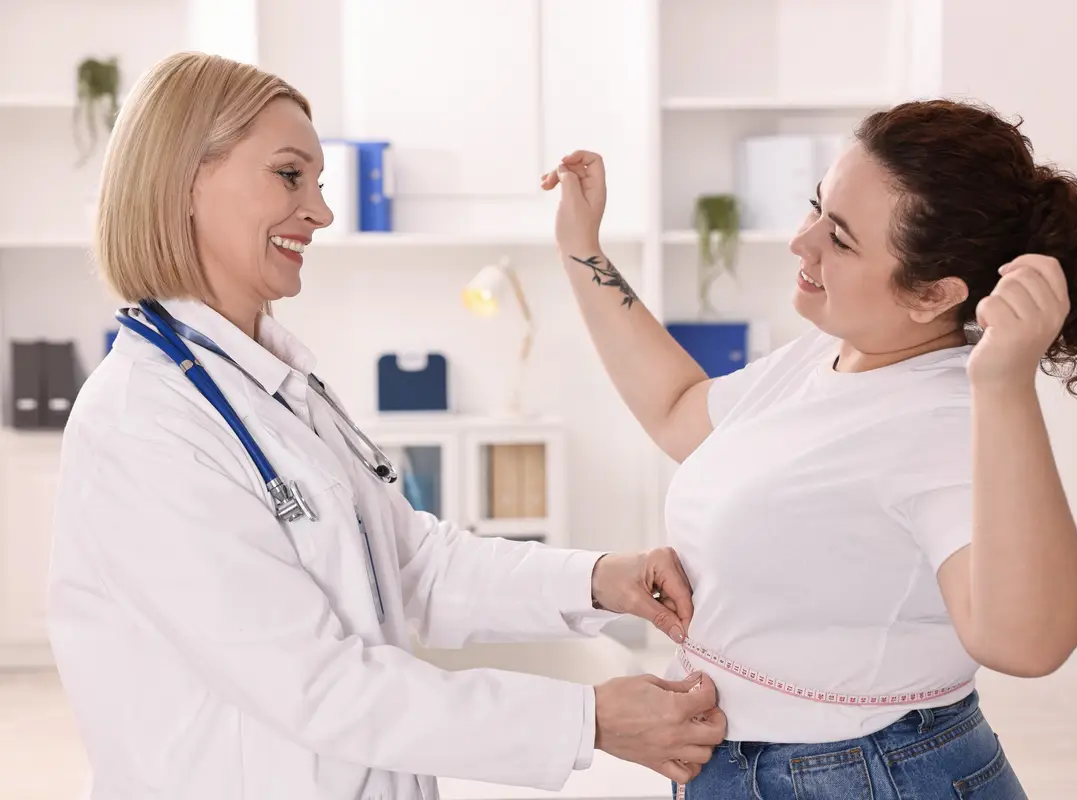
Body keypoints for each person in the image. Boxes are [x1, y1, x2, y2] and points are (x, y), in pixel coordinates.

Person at [46, 51, 727, 800]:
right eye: (289, 175)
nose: (322, 211)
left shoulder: (273, 388)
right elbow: (317, 684)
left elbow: (411, 566)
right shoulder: (143, 425)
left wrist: (599, 580)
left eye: (319, 181)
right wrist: (584, 719)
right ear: (183, 182)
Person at [542, 98, 1077, 798]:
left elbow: (1028, 642)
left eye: (843, 239)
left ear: (933, 294)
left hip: (863, 776)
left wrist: (1005, 386)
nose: (803, 241)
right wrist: (582, 250)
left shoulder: (949, 416)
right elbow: (680, 411)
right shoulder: (834, 354)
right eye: (816, 206)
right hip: (757, 769)